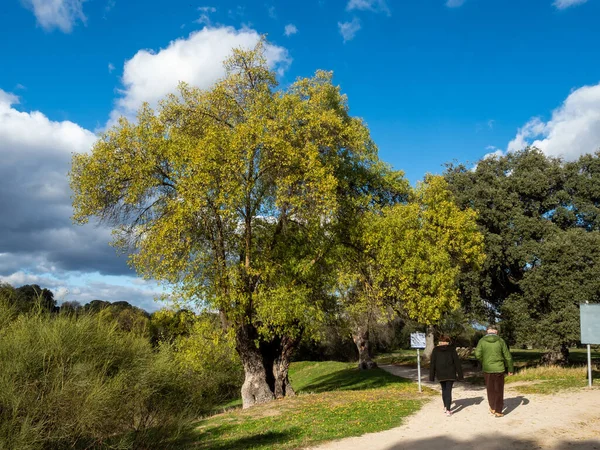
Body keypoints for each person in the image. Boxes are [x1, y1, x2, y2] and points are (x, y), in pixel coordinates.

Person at [475, 325, 514, 417]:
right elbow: (507, 356)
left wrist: (484, 361)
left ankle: (492, 407)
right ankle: (498, 411)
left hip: (487, 369)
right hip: (499, 368)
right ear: (496, 332)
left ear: (487, 331)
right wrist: (510, 369)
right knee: (499, 390)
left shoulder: (482, 341)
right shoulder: (501, 341)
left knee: (490, 388)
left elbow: (477, 354)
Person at [429, 335, 464, 416]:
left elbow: (432, 363)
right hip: (450, 373)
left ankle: (445, 406)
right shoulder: (452, 349)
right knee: (448, 390)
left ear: (439, 342)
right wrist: (460, 375)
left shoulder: (435, 350)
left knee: (444, 390)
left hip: (440, 373)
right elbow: (457, 363)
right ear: (448, 342)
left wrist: (432, 376)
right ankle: (448, 409)